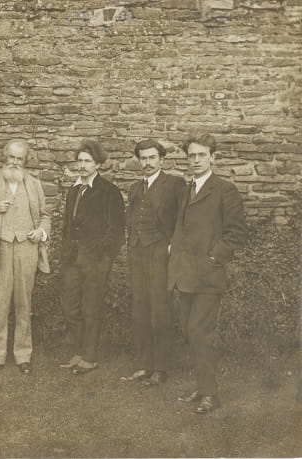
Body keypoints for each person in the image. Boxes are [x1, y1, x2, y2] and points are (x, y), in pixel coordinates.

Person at [169, 133, 247, 413]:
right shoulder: (188, 189)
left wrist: (213, 257)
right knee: (190, 332)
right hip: (185, 275)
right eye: (191, 155)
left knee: (199, 331)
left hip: (209, 276)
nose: (196, 160)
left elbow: (237, 233)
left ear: (213, 157)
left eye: (202, 155)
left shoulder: (225, 190)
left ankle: (211, 395)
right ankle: (202, 387)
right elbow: (183, 228)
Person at [0, 139, 50, 374]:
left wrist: (41, 231)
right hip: (0, 248)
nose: (14, 163)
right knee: (0, 304)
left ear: (25, 161)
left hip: (27, 248)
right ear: (4, 158)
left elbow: (45, 215)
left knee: (24, 304)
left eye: (19, 159)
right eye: (11, 158)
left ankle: (23, 355)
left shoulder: (34, 184)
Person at [122, 139, 185, 386]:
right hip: (138, 254)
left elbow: (183, 218)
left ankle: (161, 367)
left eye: (152, 158)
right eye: (143, 159)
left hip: (161, 252)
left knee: (160, 310)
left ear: (162, 160)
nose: (147, 163)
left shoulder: (175, 184)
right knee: (141, 309)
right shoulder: (135, 188)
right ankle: (144, 364)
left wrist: (173, 244)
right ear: (138, 161)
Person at [59, 140, 125, 375]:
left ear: (98, 164)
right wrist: (65, 252)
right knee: (70, 307)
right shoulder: (75, 190)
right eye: (80, 161)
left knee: (90, 307)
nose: (82, 165)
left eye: (88, 161)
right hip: (72, 260)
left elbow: (116, 230)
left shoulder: (109, 191)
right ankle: (78, 351)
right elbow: (67, 224)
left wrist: (103, 256)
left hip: (96, 260)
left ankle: (90, 356)